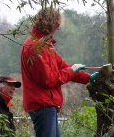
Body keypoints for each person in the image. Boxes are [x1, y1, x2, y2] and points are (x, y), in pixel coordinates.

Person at [20, 8, 99, 137]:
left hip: (47, 105)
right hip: (43, 105)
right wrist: (72, 70)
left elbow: (63, 66)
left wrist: (87, 77)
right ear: (50, 24)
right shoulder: (35, 47)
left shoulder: (44, 45)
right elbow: (49, 79)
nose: (57, 30)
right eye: (57, 26)